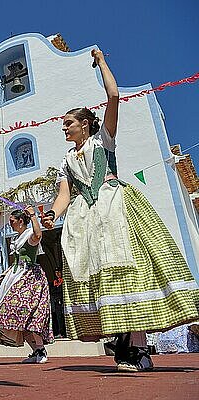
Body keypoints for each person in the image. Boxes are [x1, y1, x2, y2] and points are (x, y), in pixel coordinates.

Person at [41, 49, 199, 372]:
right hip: (86, 221)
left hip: (115, 209)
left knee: (131, 272)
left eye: (68, 124)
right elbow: (63, 196)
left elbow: (113, 95)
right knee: (106, 282)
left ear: (84, 125)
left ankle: (139, 351)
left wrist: (101, 62)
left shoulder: (104, 140)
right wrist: (53, 216)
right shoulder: (66, 162)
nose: (64, 129)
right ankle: (125, 346)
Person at [0, 207, 53, 364]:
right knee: (12, 313)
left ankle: (41, 350)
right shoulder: (17, 239)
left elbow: (38, 235)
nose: (10, 223)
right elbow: (17, 260)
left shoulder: (30, 233)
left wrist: (32, 215)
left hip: (30, 277)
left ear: (21, 221)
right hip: (16, 276)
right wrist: (7, 272)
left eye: (12, 221)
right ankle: (36, 350)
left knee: (29, 313)